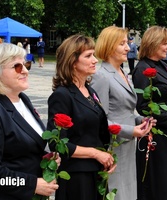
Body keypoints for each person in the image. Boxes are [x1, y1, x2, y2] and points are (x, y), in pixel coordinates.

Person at [0, 43, 59, 199]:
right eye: (17, 66)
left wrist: (45, 158)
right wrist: (33, 184)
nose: (25, 70)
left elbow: (21, 148)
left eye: (25, 64)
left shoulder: (22, 99)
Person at [47, 34, 117, 200]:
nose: (95, 60)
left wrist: (105, 157)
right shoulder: (62, 95)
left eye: (93, 54)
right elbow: (57, 144)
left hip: (95, 171)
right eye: (88, 56)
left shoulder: (89, 91)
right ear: (72, 61)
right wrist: (95, 153)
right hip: (77, 176)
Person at [90, 26, 155, 200]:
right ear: (109, 46)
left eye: (127, 43)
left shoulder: (123, 72)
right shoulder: (102, 76)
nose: (128, 48)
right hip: (113, 146)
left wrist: (140, 119)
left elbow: (123, 110)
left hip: (126, 144)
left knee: (127, 191)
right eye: (122, 44)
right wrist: (130, 130)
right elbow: (99, 120)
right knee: (116, 192)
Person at [132, 26, 167, 200]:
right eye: (164, 43)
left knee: (163, 182)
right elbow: (143, 106)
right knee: (153, 183)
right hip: (154, 135)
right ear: (153, 43)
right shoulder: (142, 69)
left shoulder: (162, 65)